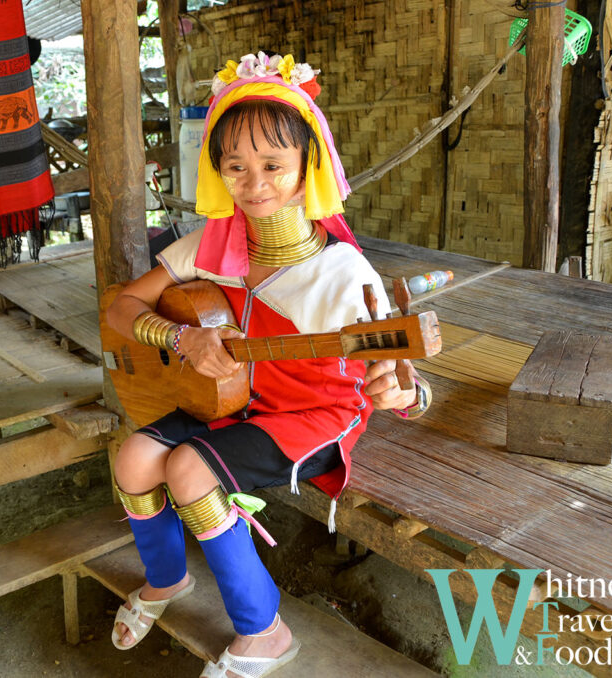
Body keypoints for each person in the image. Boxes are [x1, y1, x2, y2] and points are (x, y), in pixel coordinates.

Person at [105, 52, 432, 678]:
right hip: (232, 394)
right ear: (217, 170)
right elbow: (123, 308)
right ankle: (167, 580)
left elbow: (401, 379)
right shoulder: (212, 245)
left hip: (316, 412)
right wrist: (179, 338)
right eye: (236, 166)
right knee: (133, 457)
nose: (254, 184)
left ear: (308, 165)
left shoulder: (342, 274)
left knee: (188, 468)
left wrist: (404, 393)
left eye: (273, 165)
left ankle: (265, 631)